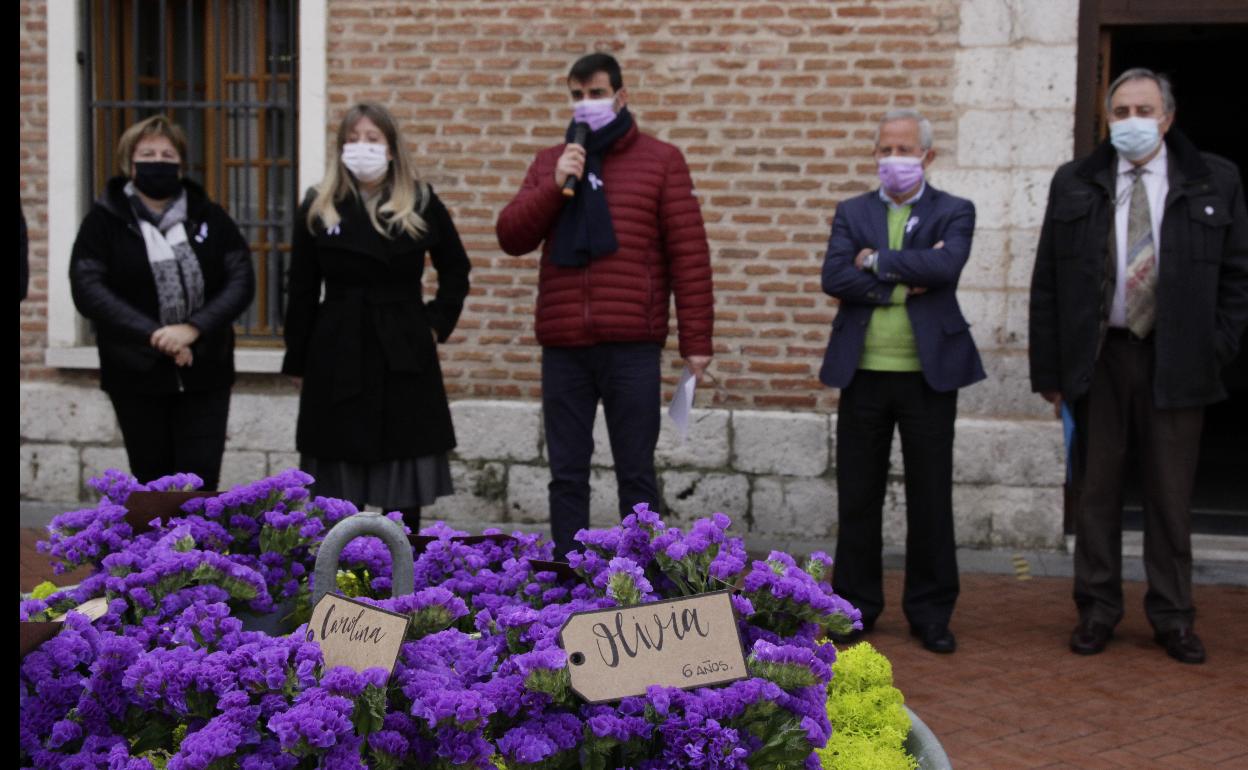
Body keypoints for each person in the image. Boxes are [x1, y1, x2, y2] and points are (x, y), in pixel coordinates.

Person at [1030, 68, 1248, 664]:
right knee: (1096, 494)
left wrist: (1217, 347)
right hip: (1100, 359)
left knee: (1170, 498)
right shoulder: (1076, 181)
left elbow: (1238, 277)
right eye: (1120, 111)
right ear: (1108, 119)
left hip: (1178, 361)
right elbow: (1048, 279)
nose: (1131, 121)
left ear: (1168, 117)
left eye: (1143, 110)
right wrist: (1049, 371)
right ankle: (1097, 610)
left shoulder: (1214, 179)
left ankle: (1173, 617)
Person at [495, 52, 714, 559]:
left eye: (595, 93)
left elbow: (689, 254)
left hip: (632, 345)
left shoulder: (661, 161)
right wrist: (554, 188)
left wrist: (696, 343)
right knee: (566, 473)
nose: (586, 104)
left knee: (636, 472)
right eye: (576, 95)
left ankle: (642, 576)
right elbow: (511, 235)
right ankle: (570, 577)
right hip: (564, 344)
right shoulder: (553, 161)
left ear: (621, 95)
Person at [819, 109, 984, 654]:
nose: (894, 160)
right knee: (858, 497)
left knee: (931, 497)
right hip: (863, 374)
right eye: (885, 149)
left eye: (905, 149)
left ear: (928, 157)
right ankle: (854, 608)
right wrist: (900, 280)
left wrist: (875, 261)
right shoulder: (852, 211)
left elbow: (947, 269)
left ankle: (931, 611)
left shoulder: (955, 211)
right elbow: (834, 276)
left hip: (929, 378)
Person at [282, 103, 471, 532]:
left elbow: (455, 269)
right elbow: (302, 287)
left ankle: (404, 575)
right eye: (352, 140)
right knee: (336, 486)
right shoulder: (319, 204)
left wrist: (435, 322)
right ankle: (343, 572)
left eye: (371, 139)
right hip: (336, 347)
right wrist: (298, 358)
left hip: (403, 347)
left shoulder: (419, 201)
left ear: (390, 148)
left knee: (402, 477)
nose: (361, 148)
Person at [69, 115, 254, 490]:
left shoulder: (210, 217)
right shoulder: (103, 221)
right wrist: (157, 335)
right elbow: (88, 288)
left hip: (205, 370)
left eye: (167, 154)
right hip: (135, 372)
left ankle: (198, 550)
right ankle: (156, 550)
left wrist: (192, 329)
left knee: (199, 482)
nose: (158, 160)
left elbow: (241, 280)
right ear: (130, 163)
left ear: (181, 164)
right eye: (147, 153)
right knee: (151, 482)